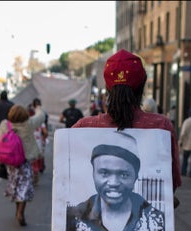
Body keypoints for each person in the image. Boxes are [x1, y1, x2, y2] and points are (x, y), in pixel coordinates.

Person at [72, 49, 182, 193]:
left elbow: (69, 176)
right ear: (142, 87)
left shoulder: (82, 128)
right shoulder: (162, 126)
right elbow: (171, 181)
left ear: (107, 88)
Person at [66, 131, 165, 231]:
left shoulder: (156, 221)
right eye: (104, 173)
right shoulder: (75, 218)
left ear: (136, 176)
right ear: (93, 173)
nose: (113, 183)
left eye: (124, 174)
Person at [0, 104, 46, 226]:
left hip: (11, 163)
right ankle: (20, 213)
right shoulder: (29, 124)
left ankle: (17, 210)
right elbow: (41, 116)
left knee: (16, 187)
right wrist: (37, 107)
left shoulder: (5, 125)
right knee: (25, 187)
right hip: (24, 162)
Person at [30, 98, 48, 184]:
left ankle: (33, 173)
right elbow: (45, 132)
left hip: (30, 142)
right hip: (38, 141)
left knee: (32, 159)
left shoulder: (29, 118)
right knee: (39, 157)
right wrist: (44, 138)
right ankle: (38, 170)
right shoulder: (42, 115)